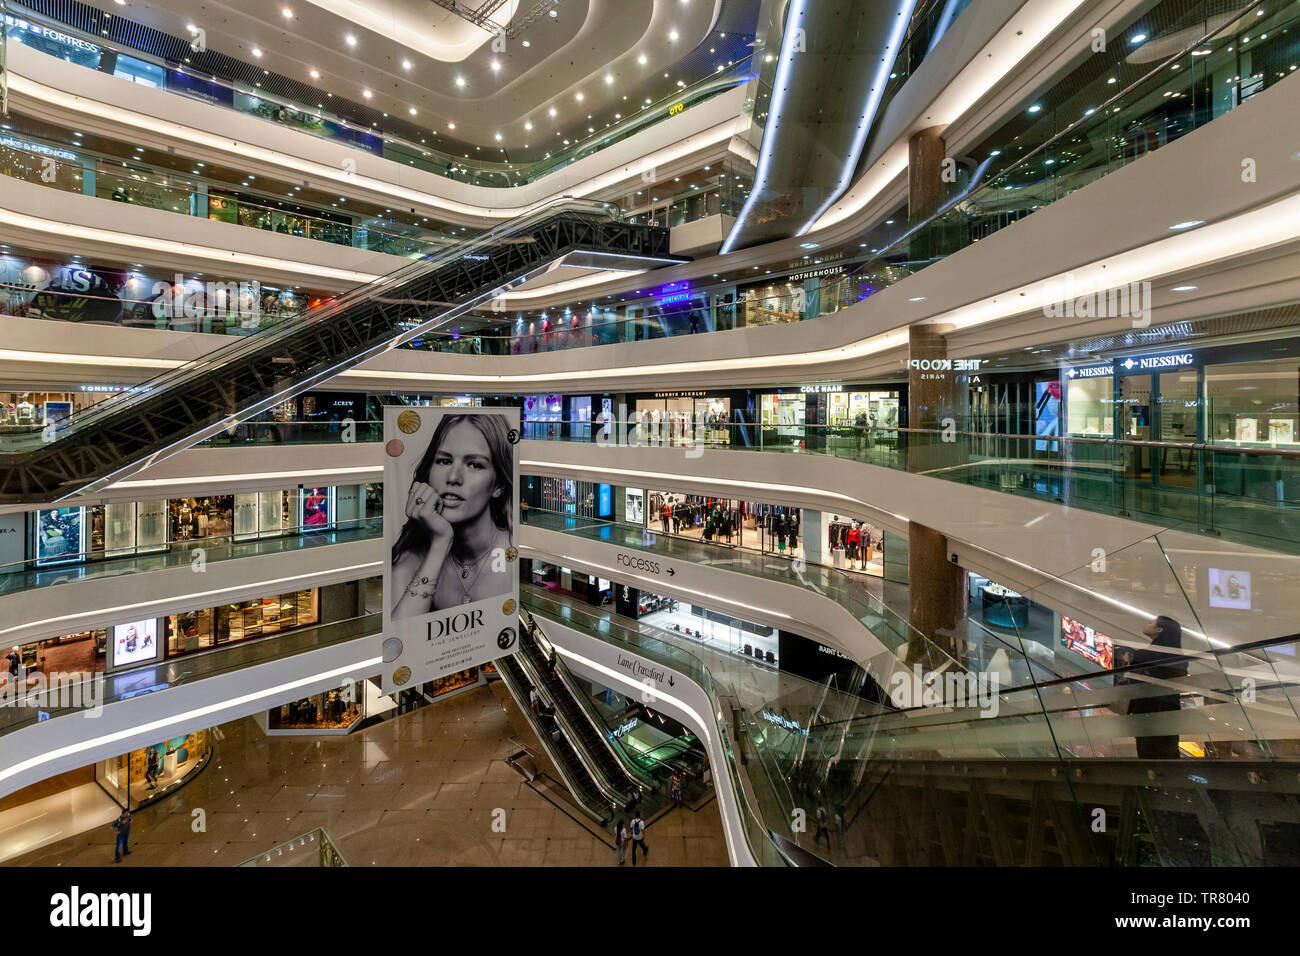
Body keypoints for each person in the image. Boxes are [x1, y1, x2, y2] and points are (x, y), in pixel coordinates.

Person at [391, 415, 514, 620]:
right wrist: (440, 542)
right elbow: (400, 636)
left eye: (474, 465)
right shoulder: (413, 553)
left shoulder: (512, 548)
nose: (453, 478)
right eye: (444, 461)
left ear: (499, 485)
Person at [1121, 615, 1189, 760]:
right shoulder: (1176, 655)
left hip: (1150, 710)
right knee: (1167, 751)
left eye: (1151, 622)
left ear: (1159, 630)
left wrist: (1131, 658)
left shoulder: (1150, 655)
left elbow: (1136, 658)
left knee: (1149, 752)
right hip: (1168, 711)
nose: (1147, 624)